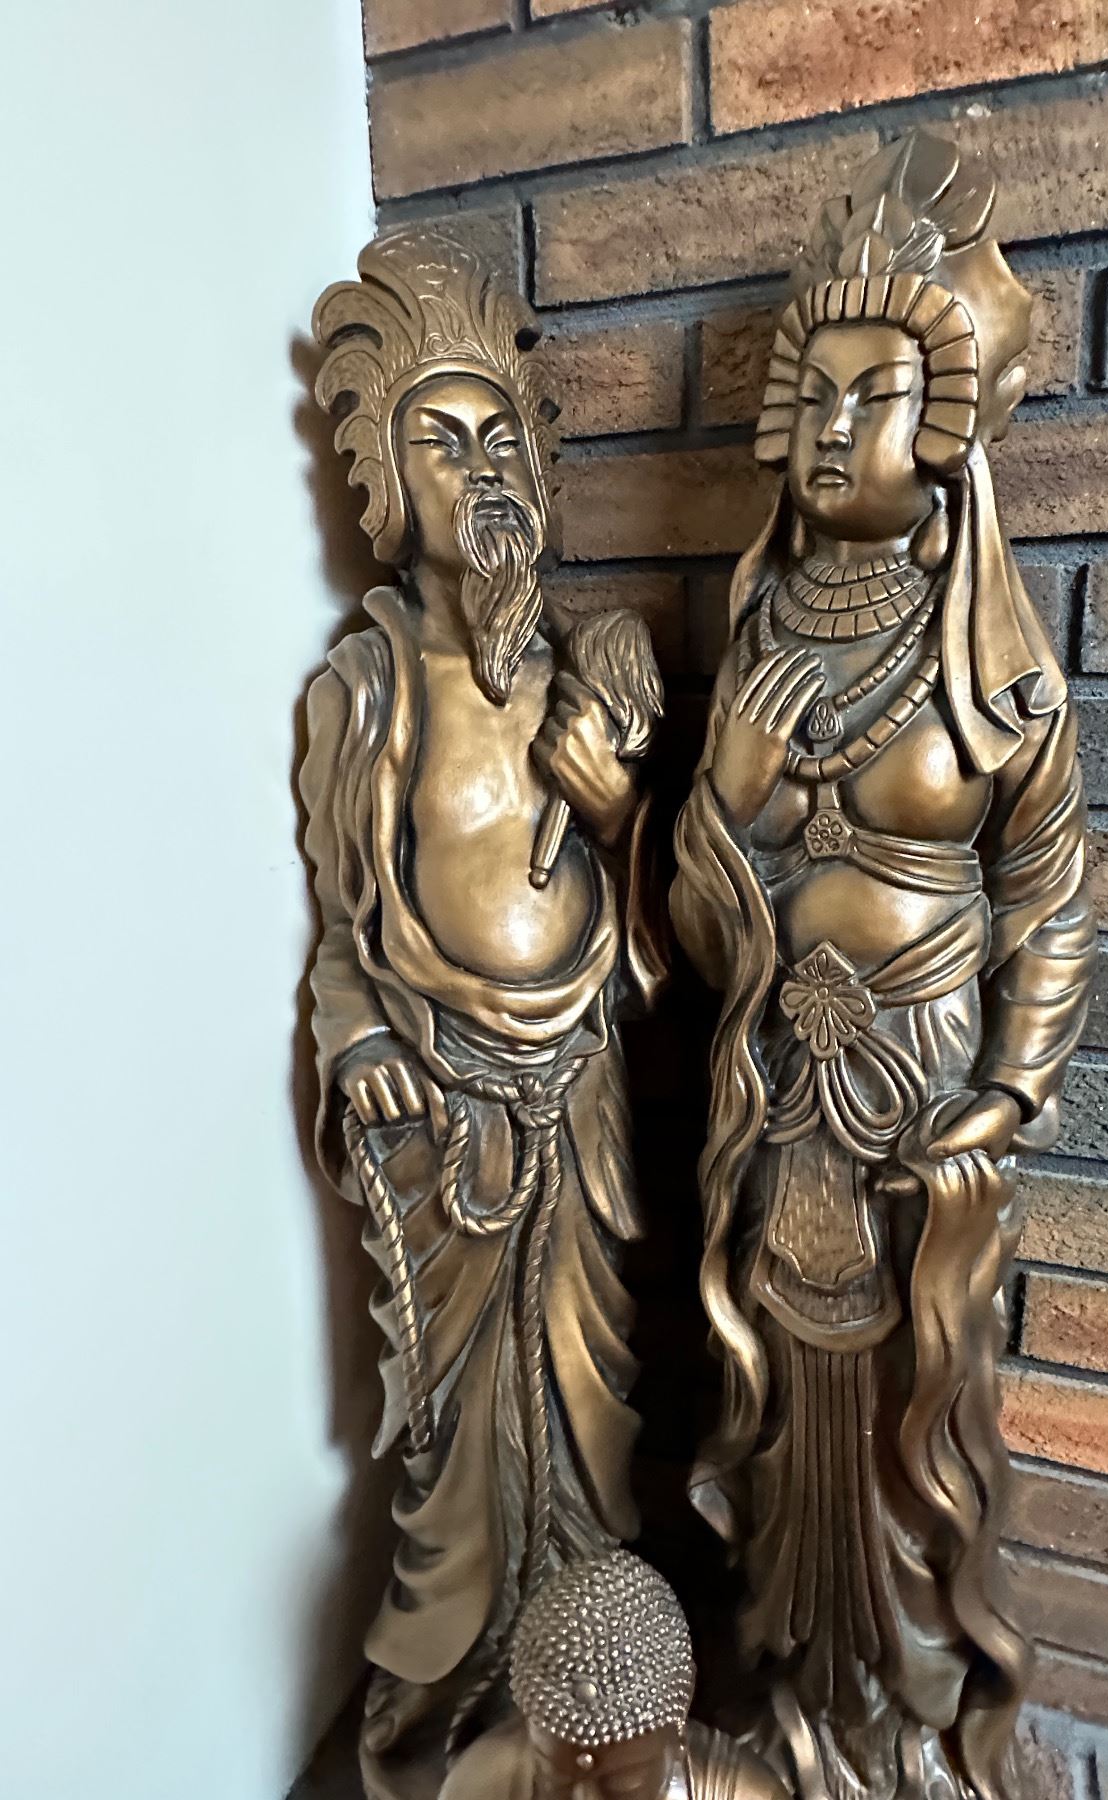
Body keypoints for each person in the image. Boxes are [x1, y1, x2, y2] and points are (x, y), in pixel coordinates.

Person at [671, 131, 1097, 1800]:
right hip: (780, 1084)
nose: (838, 429)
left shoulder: (992, 663)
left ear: (949, 426)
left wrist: (1008, 1090)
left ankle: (912, 1728)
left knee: (911, 1421)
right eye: (818, 397)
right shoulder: (760, 636)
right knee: (790, 1403)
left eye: (879, 396)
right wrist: (728, 803)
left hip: (921, 1091)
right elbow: (696, 925)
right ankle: (801, 1704)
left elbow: (1048, 888)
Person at [302, 228, 664, 1800]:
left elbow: (660, 901)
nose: (482, 473)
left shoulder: (584, 668)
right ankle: (454, 1685)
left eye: (501, 438)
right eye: (440, 442)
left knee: (586, 1396)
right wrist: (361, 1039)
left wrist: (618, 810)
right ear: (386, 483)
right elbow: (341, 930)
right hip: (440, 1098)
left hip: (576, 1078)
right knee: (456, 1438)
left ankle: (588, 1681)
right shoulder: (368, 692)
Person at [440, 1552, 788, 1800]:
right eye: (556, 1778)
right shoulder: (484, 1783)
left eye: (623, 1784)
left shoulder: (743, 1793)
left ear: (678, 1720)